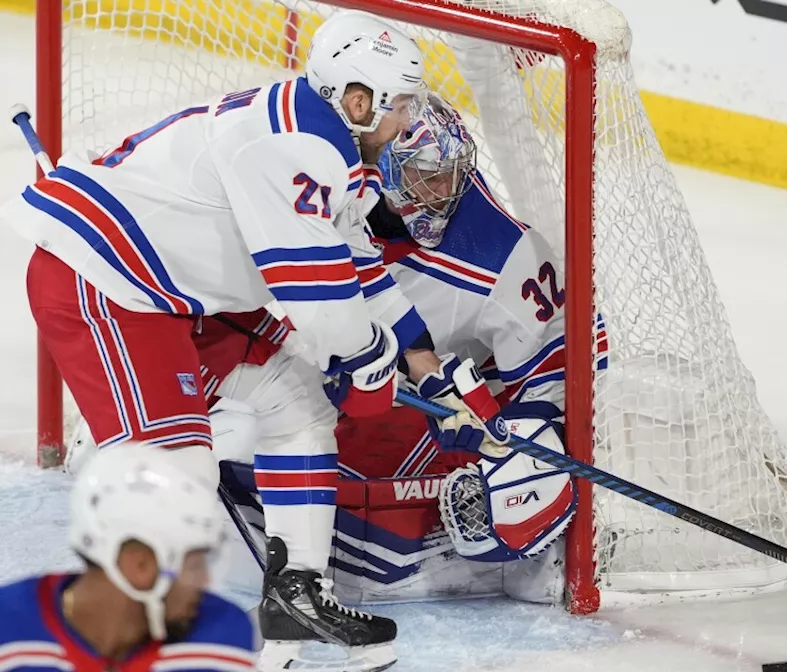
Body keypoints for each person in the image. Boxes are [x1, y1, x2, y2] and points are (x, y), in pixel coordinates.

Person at [3, 9, 436, 670]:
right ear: (357, 99)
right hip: (106, 282)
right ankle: (123, 640)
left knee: (299, 406)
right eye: (399, 105)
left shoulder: (329, 140)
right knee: (181, 471)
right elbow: (316, 301)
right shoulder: (294, 149)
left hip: (177, 291)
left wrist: (412, 343)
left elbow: (349, 252)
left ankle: (296, 595)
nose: (405, 121)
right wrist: (370, 364)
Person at [209, 93, 594, 606]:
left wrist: (520, 447)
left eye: (452, 171)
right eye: (425, 176)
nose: (444, 190)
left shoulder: (506, 254)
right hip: (311, 374)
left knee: (241, 449)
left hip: (412, 423)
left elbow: (556, 372)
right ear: (382, 168)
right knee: (217, 435)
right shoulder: (325, 185)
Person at [0, 443, 257, 671]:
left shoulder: (221, 634)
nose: (203, 581)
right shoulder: (9, 632)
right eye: (194, 564)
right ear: (139, 564)